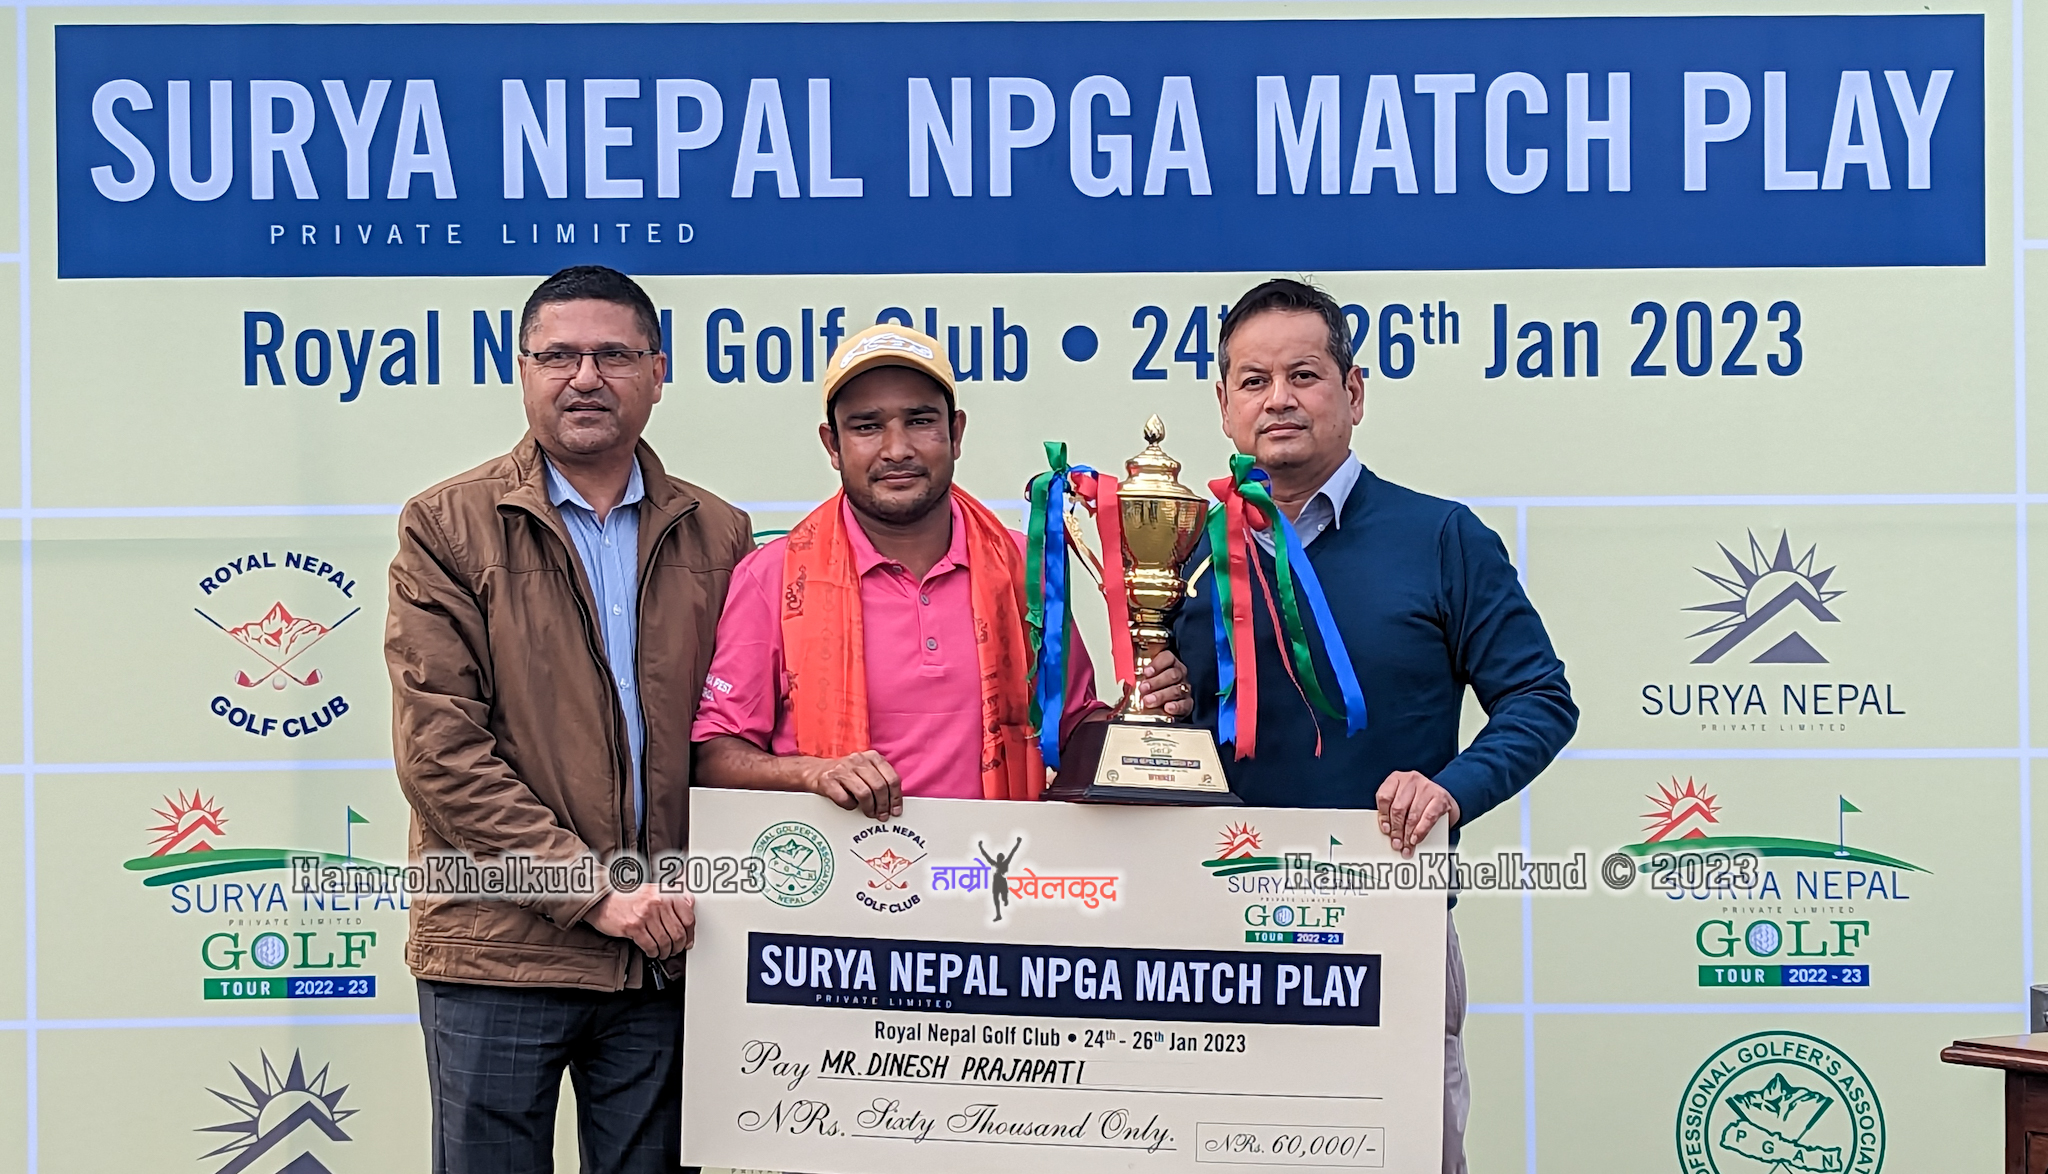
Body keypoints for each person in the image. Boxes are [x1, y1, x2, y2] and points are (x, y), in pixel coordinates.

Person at [1170, 278, 1578, 1174]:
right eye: (1253, 381)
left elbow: (1541, 699)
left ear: (1353, 393)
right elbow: (1180, 733)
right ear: (1225, 405)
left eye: (1304, 375)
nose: (1279, 399)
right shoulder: (1187, 552)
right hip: (1215, 935)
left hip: (1386, 928)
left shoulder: (1441, 538)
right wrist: (1160, 704)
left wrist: (1449, 791)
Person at [385, 264, 753, 1173]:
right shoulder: (446, 527)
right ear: (523, 371)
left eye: (613, 355)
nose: (585, 377)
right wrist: (593, 891)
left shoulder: (721, 534)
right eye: (558, 356)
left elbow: (738, 737)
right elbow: (441, 754)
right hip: (498, 953)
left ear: (658, 372)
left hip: (664, 959)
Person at [693, 323, 1191, 815]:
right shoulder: (776, 576)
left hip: (998, 861)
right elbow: (713, 755)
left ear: (955, 433)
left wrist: (1142, 717)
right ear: (832, 445)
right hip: (838, 865)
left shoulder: (1024, 567)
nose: (897, 449)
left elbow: (1072, 731)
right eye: (866, 426)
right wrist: (812, 773)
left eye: (919, 421)